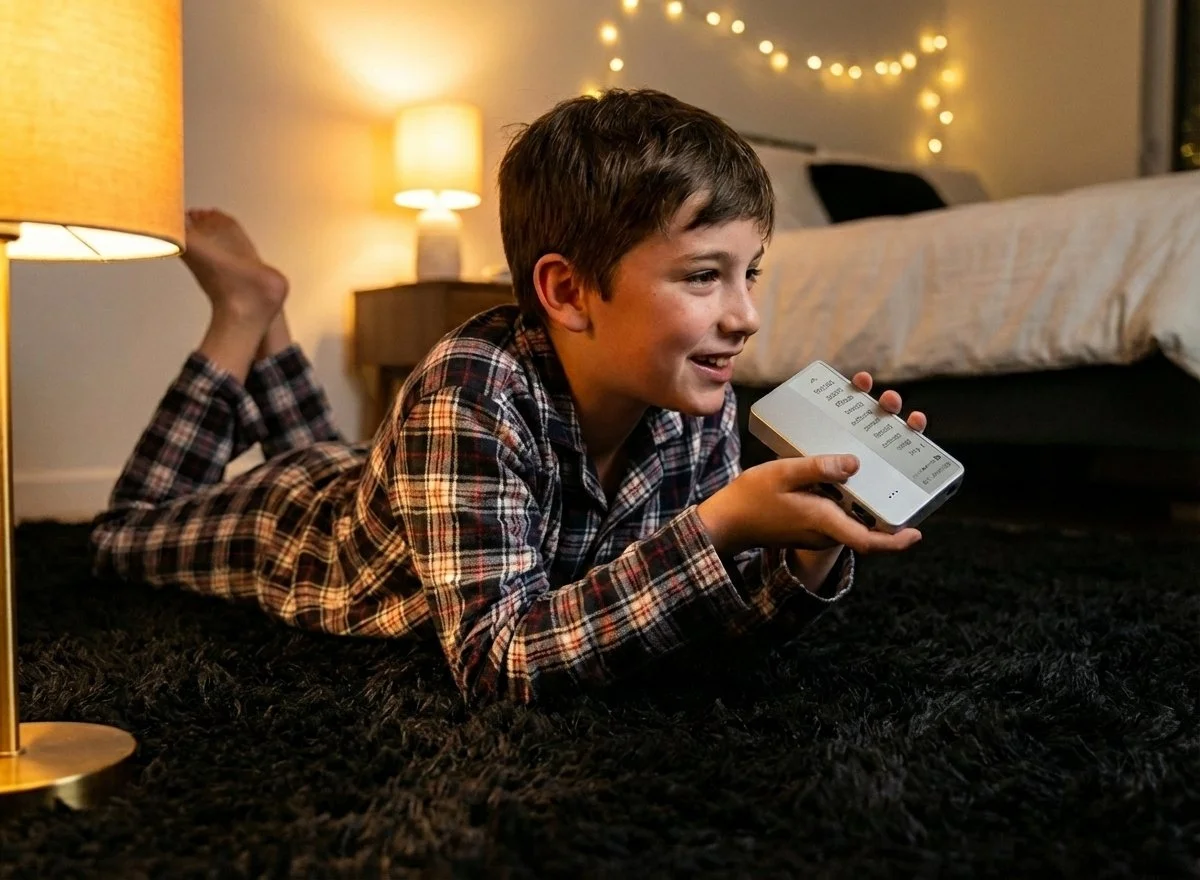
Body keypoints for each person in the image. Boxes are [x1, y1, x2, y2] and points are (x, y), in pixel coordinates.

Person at [91, 88, 927, 705]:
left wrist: (810, 540)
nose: (744, 316)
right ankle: (246, 313)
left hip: (387, 484)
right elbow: (498, 662)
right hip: (299, 531)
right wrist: (719, 527)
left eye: (750, 275)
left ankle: (269, 318)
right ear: (567, 293)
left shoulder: (695, 401)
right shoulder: (469, 383)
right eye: (705, 276)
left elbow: (706, 625)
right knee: (121, 536)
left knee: (336, 455)